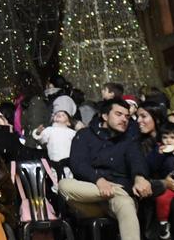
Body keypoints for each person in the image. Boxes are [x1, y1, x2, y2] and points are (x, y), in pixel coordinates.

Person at [58, 98, 153, 240]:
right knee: (63, 185)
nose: (124, 119)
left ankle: (118, 193)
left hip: (115, 203)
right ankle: (119, 191)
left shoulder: (128, 139)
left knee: (126, 203)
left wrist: (140, 177)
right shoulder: (85, 135)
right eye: (118, 114)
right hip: (89, 197)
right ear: (105, 116)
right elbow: (78, 164)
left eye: (127, 116)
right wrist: (99, 180)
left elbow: (136, 159)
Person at [33, 109, 77, 174]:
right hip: (54, 163)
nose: (59, 115)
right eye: (57, 114)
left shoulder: (72, 133)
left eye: (63, 115)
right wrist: (38, 132)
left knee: (69, 179)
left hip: (69, 163)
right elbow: (41, 139)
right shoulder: (49, 130)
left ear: (68, 123)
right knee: (56, 179)